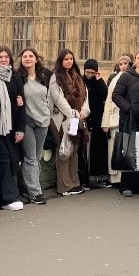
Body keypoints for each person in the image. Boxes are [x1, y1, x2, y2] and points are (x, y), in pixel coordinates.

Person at [0, 46, 25, 211]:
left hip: (11, 127)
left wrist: (20, 129)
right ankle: (8, 198)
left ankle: (11, 194)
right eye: (0, 57)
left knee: (12, 160)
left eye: (6, 57)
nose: (3, 59)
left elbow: (22, 105)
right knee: (3, 159)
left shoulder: (15, 77)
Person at [112, 50, 139, 197]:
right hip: (128, 120)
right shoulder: (126, 76)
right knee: (128, 152)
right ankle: (126, 185)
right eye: (138, 58)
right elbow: (116, 95)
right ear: (134, 61)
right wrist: (128, 108)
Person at [49, 48, 90, 196]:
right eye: (66, 59)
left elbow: (85, 97)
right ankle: (65, 186)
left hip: (76, 120)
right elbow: (58, 99)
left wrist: (84, 112)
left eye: (71, 59)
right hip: (61, 120)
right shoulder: (55, 78)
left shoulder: (77, 77)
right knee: (64, 151)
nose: (69, 61)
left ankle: (75, 182)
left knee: (74, 151)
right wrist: (73, 113)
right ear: (61, 61)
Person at [16, 47, 51, 205]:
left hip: (43, 121)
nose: (28, 59)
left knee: (35, 157)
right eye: (25, 56)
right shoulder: (18, 78)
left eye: (31, 56)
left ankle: (27, 186)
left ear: (36, 59)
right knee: (30, 157)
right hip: (27, 122)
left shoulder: (45, 76)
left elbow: (51, 96)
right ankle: (36, 192)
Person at [102, 54, 132, 188]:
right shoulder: (114, 79)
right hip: (114, 119)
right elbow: (108, 101)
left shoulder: (131, 78)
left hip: (127, 118)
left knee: (125, 149)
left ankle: (124, 177)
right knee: (113, 150)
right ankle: (114, 177)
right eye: (121, 64)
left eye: (126, 63)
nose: (124, 66)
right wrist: (105, 122)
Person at [82, 58, 112, 188]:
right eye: (87, 72)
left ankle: (101, 177)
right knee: (85, 151)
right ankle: (86, 178)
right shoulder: (81, 81)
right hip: (85, 119)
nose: (89, 75)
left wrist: (100, 80)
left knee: (99, 150)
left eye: (92, 72)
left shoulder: (98, 82)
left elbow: (106, 95)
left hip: (98, 120)